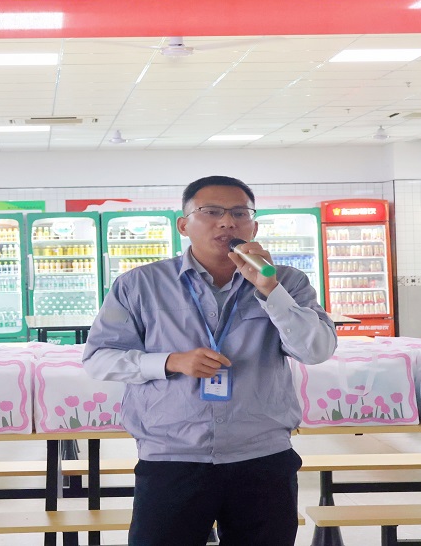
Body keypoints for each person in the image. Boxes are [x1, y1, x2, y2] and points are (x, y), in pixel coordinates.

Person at [83, 175, 337, 546]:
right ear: (183, 225)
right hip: (171, 456)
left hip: (261, 454)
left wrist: (270, 289)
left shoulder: (288, 282)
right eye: (212, 212)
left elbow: (316, 350)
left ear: (254, 227)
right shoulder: (139, 284)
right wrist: (169, 362)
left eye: (239, 213)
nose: (227, 222)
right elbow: (99, 358)